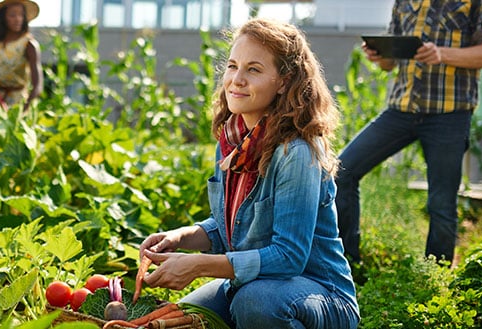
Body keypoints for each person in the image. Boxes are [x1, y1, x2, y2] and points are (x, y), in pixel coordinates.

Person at [137, 18, 360, 329]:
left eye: (253, 69)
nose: (236, 79)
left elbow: (288, 257)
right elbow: (232, 226)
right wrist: (180, 238)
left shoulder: (296, 152)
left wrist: (199, 266)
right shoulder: (231, 142)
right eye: (232, 66)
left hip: (318, 292)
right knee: (187, 314)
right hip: (251, 283)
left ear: (284, 81)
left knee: (254, 303)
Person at [336, 0, 482, 268]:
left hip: (449, 113)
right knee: (342, 170)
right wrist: (381, 55)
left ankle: (433, 276)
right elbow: (390, 65)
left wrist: (442, 54)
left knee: (441, 204)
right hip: (401, 109)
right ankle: (347, 264)